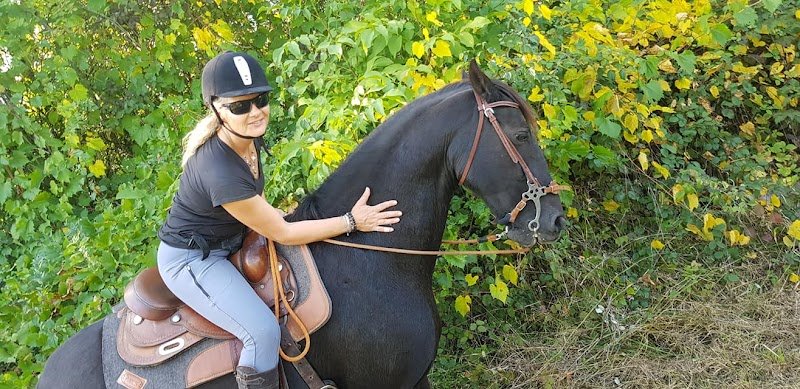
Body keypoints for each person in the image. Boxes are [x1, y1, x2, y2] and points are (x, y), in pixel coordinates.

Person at [156, 51, 402, 389]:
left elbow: (260, 209)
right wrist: (351, 221)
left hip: (232, 241)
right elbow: (283, 233)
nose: (256, 112)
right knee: (261, 331)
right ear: (217, 109)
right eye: (240, 106)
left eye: (260, 100)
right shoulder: (218, 169)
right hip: (193, 261)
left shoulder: (247, 139)